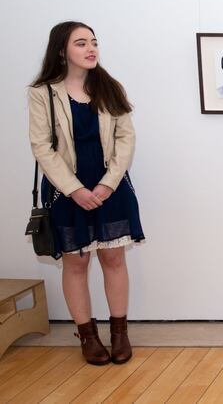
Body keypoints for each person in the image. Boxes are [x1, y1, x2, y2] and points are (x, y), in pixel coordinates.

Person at [28, 21, 145, 365]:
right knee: (76, 263)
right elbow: (41, 147)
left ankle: (120, 332)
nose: (91, 49)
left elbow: (126, 138)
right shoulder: (43, 94)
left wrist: (108, 183)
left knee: (113, 258)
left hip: (110, 186)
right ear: (62, 51)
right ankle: (87, 334)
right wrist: (75, 189)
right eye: (81, 43)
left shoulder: (110, 87)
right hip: (67, 190)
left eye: (93, 42)